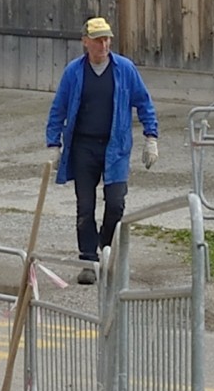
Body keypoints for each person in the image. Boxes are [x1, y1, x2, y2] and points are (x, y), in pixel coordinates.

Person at [44, 15, 157, 279]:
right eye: (97, 40)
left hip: (115, 148)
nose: (103, 45)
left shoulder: (125, 69)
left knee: (116, 204)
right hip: (83, 147)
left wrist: (151, 137)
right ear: (85, 42)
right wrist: (53, 144)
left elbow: (144, 102)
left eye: (107, 39)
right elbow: (58, 108)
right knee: (85, 206)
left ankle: (106, 249)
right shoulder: (74, 72)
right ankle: (88, 261)